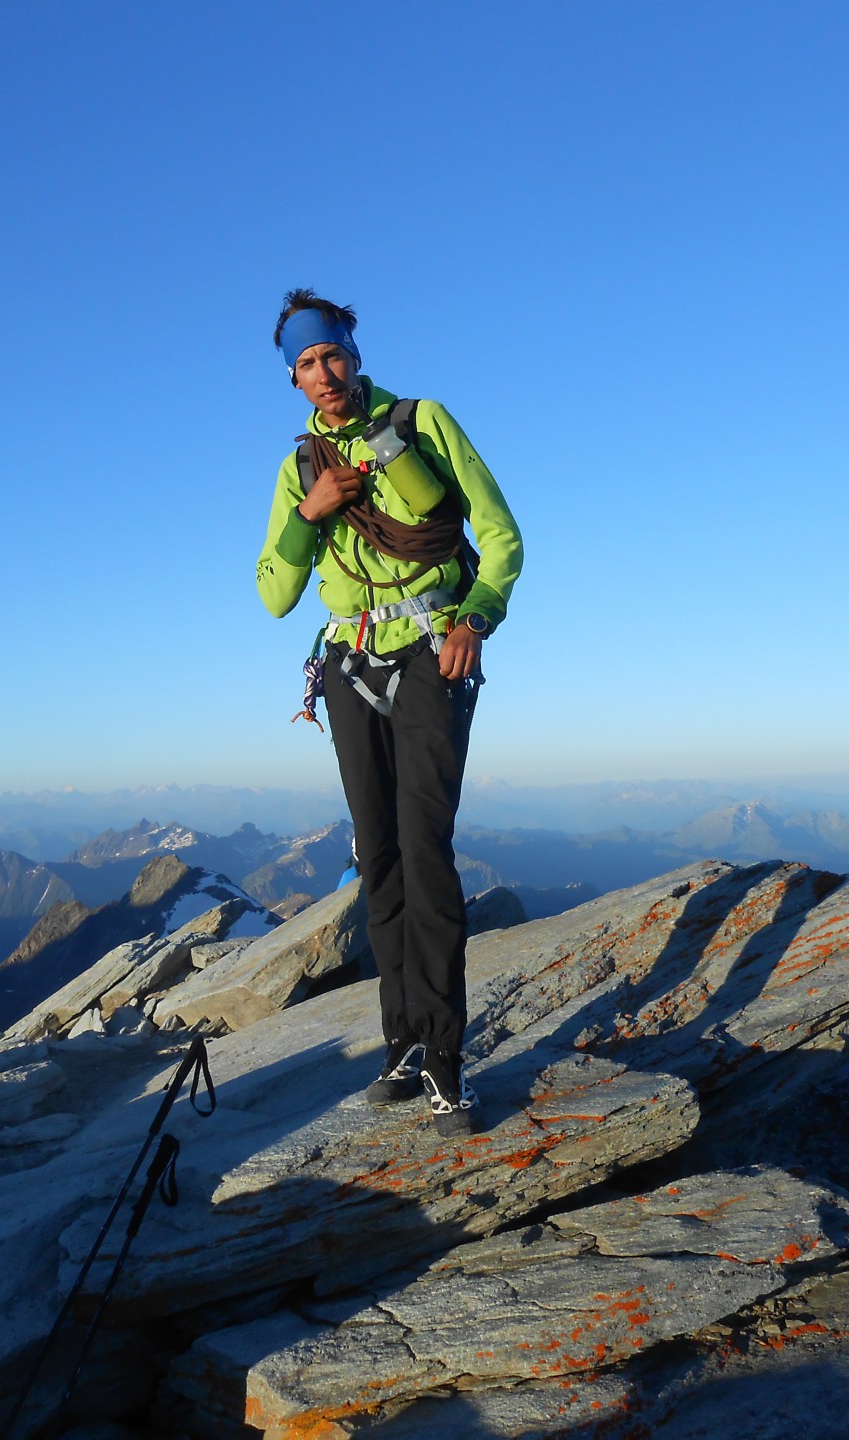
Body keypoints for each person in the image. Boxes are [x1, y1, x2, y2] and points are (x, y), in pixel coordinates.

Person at [254, 289, 523, 1137]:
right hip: (346, 662)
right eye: (305, 364)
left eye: (331, 354)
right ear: (292, 379)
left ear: (353, 353)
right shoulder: (298, 468)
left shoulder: (423, 420)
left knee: (425, 850)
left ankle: (446, 1060)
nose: (323, 373)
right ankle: (399, 1044)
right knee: (378, 858)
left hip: (430, 649)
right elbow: (273, 594)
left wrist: (476, 617)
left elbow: (502, 534)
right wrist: (311, 511)